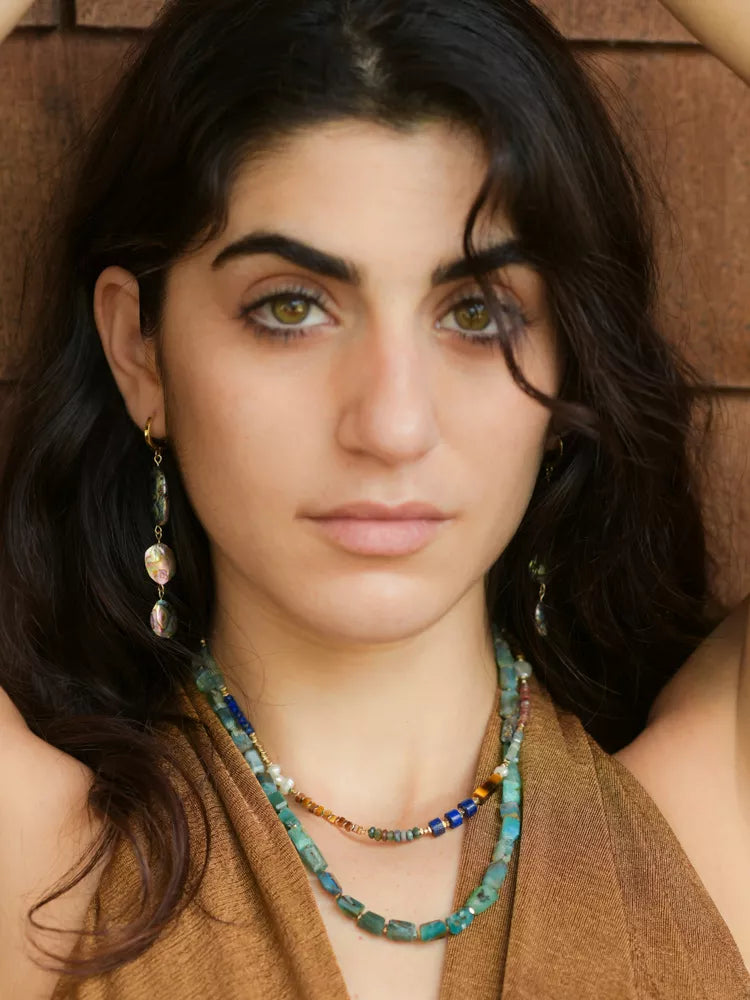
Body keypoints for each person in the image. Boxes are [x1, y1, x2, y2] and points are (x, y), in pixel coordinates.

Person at [0, 1, 748, 998]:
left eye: (477, 312)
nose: (393, 424)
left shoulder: (712, 821)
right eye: (292, 308)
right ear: (140, 349)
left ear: (571, 358)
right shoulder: (41, 875)